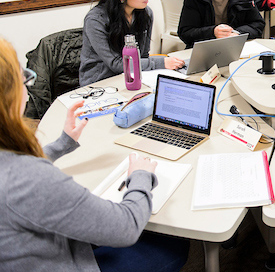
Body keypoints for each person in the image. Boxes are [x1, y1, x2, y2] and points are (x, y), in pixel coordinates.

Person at [0, 37, 189, 271]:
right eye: (23, 79)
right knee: (173, 244)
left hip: (38, 246)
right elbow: (126, 227)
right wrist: (140, 176)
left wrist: (62, 144)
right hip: (67, 258)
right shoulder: (28, 179)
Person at [79, 0, 184, 87]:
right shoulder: (96, 20)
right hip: (100, 83)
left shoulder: (146, 13)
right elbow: (117, 64)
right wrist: (162, 62)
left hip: (133, 76)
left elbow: (143, 55)